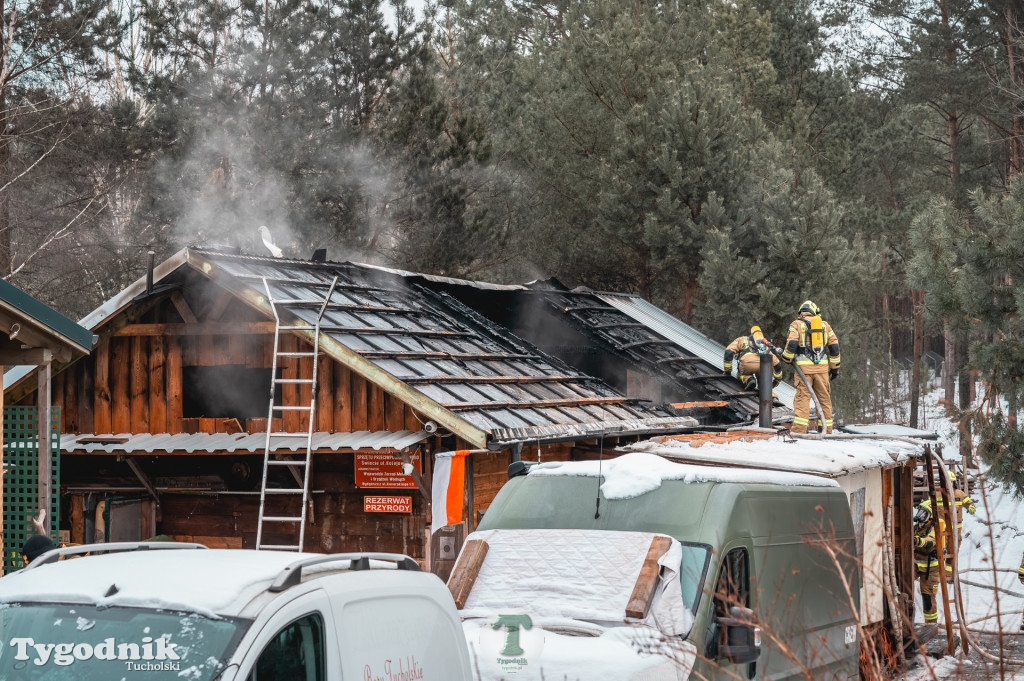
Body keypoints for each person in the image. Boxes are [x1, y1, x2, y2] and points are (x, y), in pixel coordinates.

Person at [781, 300, 840, 434]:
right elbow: (834, 348)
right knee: (824, 400)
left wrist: (786, 358)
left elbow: (791, 345)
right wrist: (835, 368)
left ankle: (799, 431)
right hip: (822, 370)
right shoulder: (825, 326)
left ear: (801, 313)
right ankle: (827, 429)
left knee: (803, 399)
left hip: (804, 371)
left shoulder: (796, 324)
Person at [723, 326, 782, 392]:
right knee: (765, 385)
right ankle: (773, 397)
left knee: (742, 375)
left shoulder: (742, 339)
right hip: (763, 365)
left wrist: (727, 371)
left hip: (748, 362)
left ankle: (750, 380)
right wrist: (777, 379)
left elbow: (728, 352)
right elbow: (777, 364)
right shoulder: (765, 346)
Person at [913, 505, 940, 625]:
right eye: (920, 512)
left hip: (931, 569)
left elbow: (930, 542)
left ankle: (931, 625)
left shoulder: (935, 528)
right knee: (901, 583)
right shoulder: (917, 527)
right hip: (916, 564)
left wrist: (917, 541)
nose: (920, 515)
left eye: (924, 513)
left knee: (927, 598)